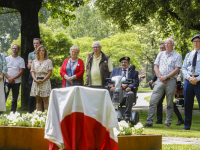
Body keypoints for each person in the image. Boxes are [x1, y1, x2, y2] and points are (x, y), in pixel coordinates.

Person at [144, 38, 182, 128]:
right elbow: (156, 67)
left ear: (173, 45)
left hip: (171, 80)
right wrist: (161, 77)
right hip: (160, 80)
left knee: (169, 103)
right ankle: (149, 122)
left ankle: (167, 123)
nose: (166, 45)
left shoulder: (177, 55)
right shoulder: (160, 54)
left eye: (168, 43)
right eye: (165, 43)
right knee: (153, 101)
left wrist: (166, 77)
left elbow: (177, 69)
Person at [108, 57, 139, 121]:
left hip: (127, 90)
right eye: (122, 62)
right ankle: (109, 113)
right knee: (107, 92)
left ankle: (127, 115)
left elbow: (136, 82)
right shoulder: (115, 71)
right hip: (116, 90)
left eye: (125, 62)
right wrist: (111, 87)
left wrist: (130, 87)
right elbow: (109, 81)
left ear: (129, 63)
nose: (123, 64)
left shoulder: (133, 72)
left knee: (130, 94)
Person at [182, 35, 200, 130]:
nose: (195, 43)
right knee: (187, 104)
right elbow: (184, 68)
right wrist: (189, 78)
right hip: (189, 81)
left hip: (199, 81)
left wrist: (197, 79)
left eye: (197, 41)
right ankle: (186, 126)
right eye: (194, 41)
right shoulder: (189, 54)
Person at [30, 45, 53, 111]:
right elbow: (32, 72)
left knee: (45, 100)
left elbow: (50, 72)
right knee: (38, 100)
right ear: (37, 52)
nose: (41, 52)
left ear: (45, 52)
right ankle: (39, 116)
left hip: (45, 81)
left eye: (43, 50)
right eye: (40, 50)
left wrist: (43, 80)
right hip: (36, 81)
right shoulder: (34, 61)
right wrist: (35, 79)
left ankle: (46, 116)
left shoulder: (48, 61)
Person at [5, 44, 25, 112]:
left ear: (18, 50)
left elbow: (21, 71)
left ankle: (12, 113)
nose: (14, 49)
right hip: (7, 81)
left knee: (15, 98)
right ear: (11, 49)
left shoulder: (21, 60)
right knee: (4, 97)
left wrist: (12, 78)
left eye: (16, 48)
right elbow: (3, 70)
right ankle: (1, 112)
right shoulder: (6, 59)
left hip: (16, 82)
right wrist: (9, 79)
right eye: (13, 48)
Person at [27, 38, 41, 113]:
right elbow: (29, 66)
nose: (35, 45)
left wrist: (33, 62)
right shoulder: (30, 54)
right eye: (34, 43)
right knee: (31, 96)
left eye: (37, 43)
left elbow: (44, 64)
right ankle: (30, 113)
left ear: (40, 44)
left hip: (41, 76)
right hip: (32, 76)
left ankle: (41, 113)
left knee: (41, 95)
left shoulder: (43, 53)